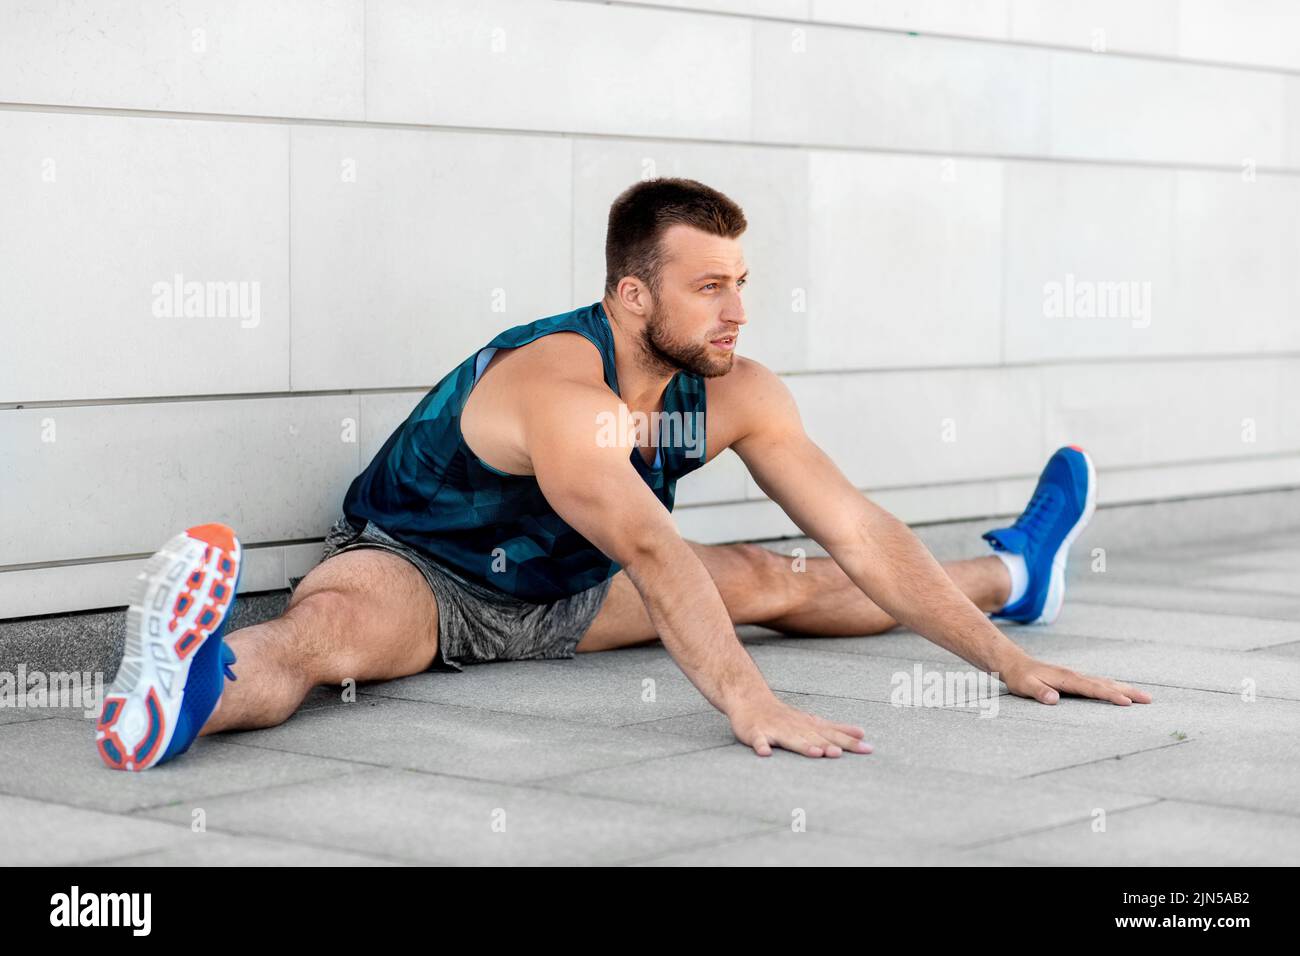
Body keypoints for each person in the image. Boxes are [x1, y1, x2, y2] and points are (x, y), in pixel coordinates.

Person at [96, 178, 1150, 772]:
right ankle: (181, 691)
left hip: (569, 592)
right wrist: (748, 701)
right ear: (634, 297)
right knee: (324, 638)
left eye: (741, 282)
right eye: (708, 287)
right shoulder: (562, 383)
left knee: (783, 575)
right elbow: (649, 546)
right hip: (427, 575)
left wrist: (1003, 664)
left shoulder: (734, 387)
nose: (737, 310)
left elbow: (861, 532)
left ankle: (1016, 577)